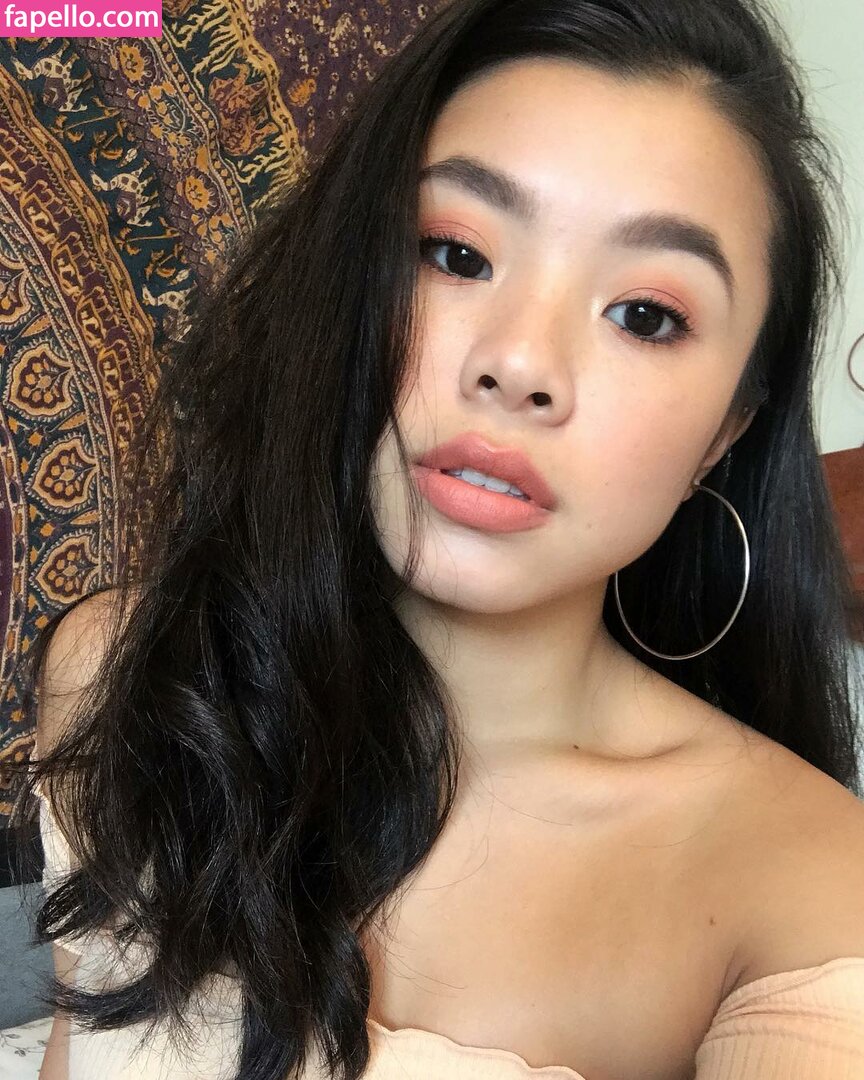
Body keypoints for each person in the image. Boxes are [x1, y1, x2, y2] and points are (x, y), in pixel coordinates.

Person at [9, 0, 864, 1077]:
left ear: (725, 433)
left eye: (645, 315)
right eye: (455, 253)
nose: (519, 364)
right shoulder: (132, 670)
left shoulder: (805, 884)